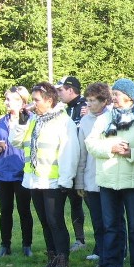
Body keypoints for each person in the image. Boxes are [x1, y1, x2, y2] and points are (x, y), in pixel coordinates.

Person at [10, 82, 79, 267]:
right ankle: (53, 258)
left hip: (53, 181)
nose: (33, 103)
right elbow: (16, 141)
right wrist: (21, 121)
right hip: (34, 179)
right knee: (45, 222)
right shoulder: (34, 120)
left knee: (55, 221)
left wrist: (66, 181)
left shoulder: (63, 121)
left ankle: (65, 266)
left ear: (49, 100)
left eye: (36, 100)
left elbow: (70, 153)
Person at [86, 78, 134, 267]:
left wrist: (131, 152)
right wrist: (110, 149)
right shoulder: (104, 119)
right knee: (111, 225)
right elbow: (91, 144)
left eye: (116, 94)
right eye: (113, 94)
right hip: (108, 181)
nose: (112, 97)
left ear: (129, 97)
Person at [0, 87, 34, 259]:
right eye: (6, 99)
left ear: (22, 102)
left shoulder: (31, 120)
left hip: (22, 171)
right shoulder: (1, 122)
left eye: (10, 99)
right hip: (3, 172)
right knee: (5, 210)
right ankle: (5, 245)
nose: (6, 102)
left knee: (24, 210)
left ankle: (27, 245)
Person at [75, 82, 112, 267]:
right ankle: (102, 256)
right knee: (97, 221)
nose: (88, 105)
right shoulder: (85, 120)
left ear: (104, 101)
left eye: (92, 101)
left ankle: (116, 255)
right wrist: (79, 181)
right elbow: (82, 151)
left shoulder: (113, 116)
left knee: (112, 221)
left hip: (110, 176)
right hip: (91, 177)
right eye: (87, 100)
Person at [56, 76, 88, 253]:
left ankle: (102, 245)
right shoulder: (65, 110)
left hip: (85, 165)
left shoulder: (85, 105)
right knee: (74, 203)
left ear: (70, 89)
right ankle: (80, 239)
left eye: (61, 90)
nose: (58, 94)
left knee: (91, 203)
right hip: (70, 165)